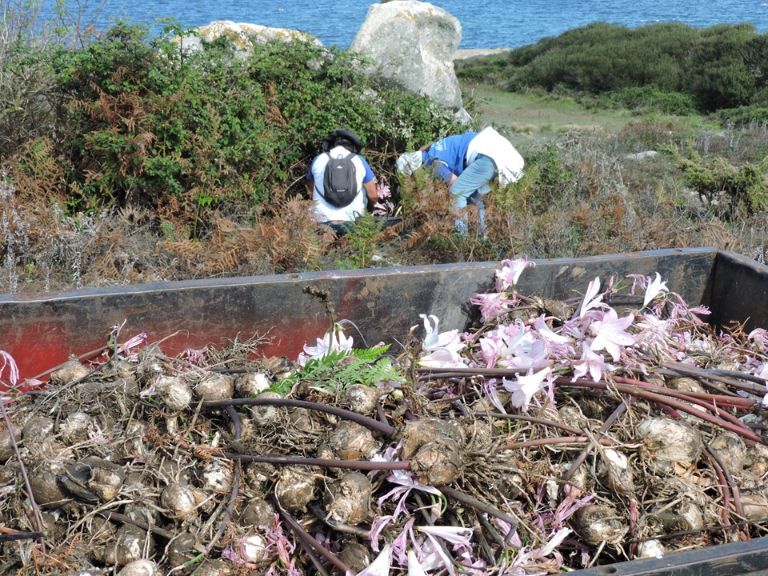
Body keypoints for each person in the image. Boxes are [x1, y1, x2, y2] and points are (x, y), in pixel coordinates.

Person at [396, 126, 524, 233]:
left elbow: (454, 184)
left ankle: (461, 242)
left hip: (490, 157)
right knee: (476, 199)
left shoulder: (431, 162)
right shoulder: (436, 150)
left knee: (457, 194)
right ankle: (482, 239)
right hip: (500, 155)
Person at [307, 128, 379, 234]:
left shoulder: (318, 159)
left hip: (321, 221)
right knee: (363, 189)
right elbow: (373, 196)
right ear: (353, 146)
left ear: (331, 145)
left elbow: (310, 191)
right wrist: (369, 213)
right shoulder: (359, 160)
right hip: (352, 221)